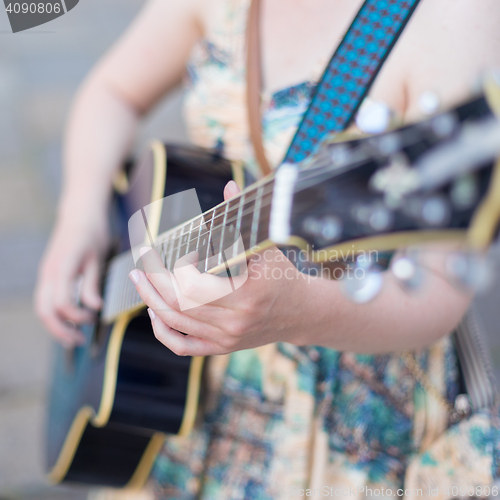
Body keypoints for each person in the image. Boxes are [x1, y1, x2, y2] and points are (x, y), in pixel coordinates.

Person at [35, 0, 500, 497]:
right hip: (183, 403)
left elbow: (437, 296)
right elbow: (114, 92)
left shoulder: (455, 16)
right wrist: (81, 213)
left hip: (343, 428)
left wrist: (300, 313)